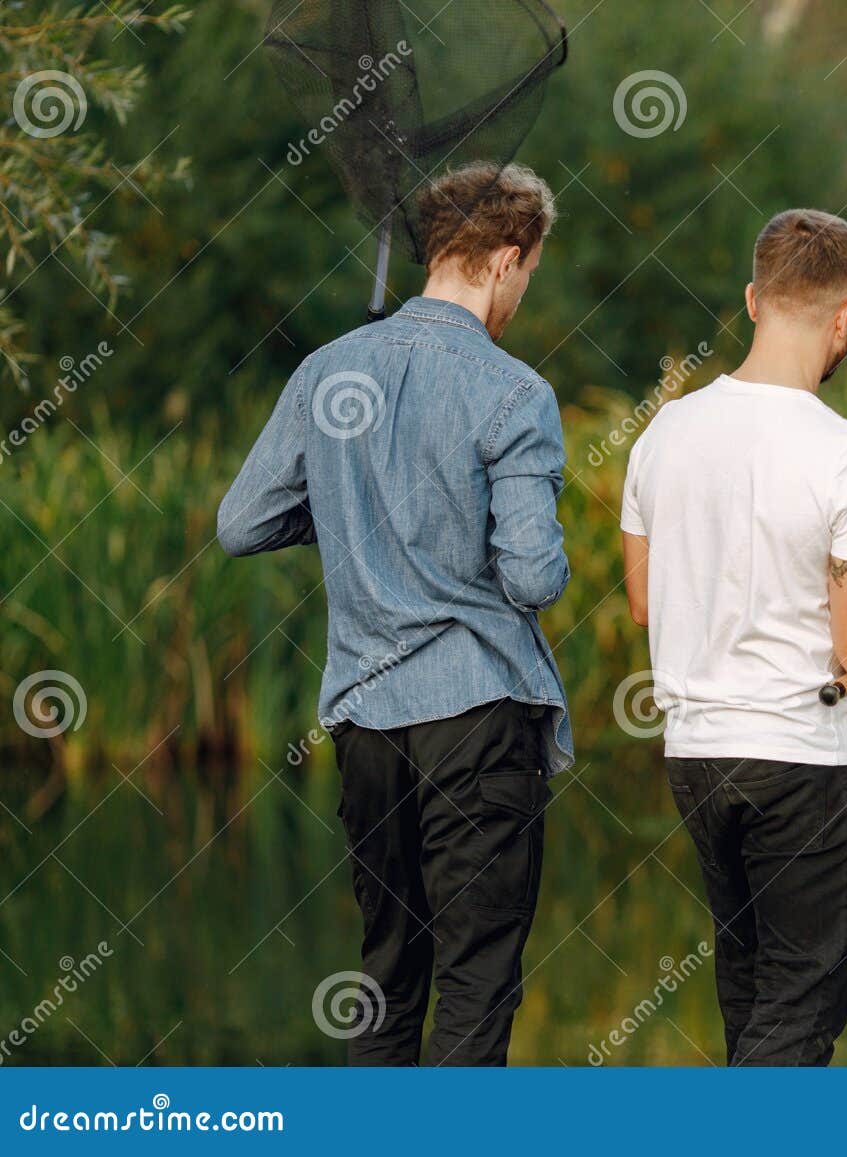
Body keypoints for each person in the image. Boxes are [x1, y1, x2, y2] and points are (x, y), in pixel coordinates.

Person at [217, 162, 570, 1066]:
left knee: (386, 975)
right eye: (528, 272)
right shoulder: (515, 392)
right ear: (504, 258)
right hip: (480, 719)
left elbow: (241, 522)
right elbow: (532, 577)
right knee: (478, 979)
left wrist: (348, 514)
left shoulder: (329, 368)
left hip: (368, 724)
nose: (523, 291)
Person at [619, 208, 847, 1065]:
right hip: (805, 763)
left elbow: (646, 603)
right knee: (797, 1021)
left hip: (697, 757)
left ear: (754, 300)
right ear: (845, 318)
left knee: (752, 999)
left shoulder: (663, 433)